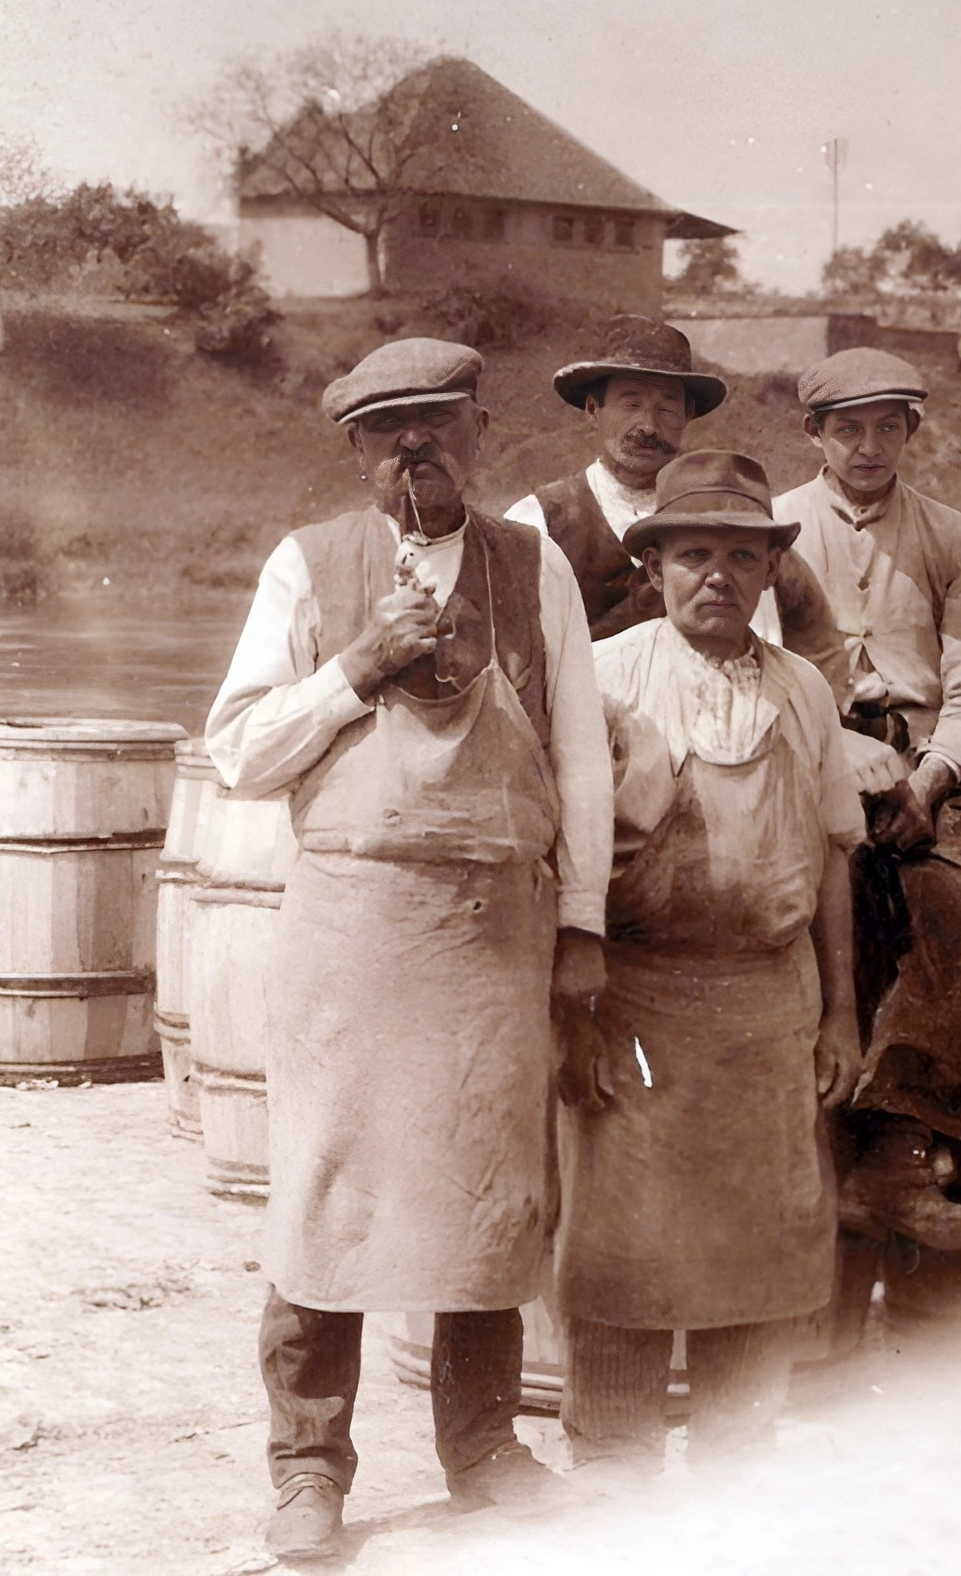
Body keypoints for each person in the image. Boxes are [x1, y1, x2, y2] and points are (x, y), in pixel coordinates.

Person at [206, 339, 611, 1558]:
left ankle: (483, 1445)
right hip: (353, 923)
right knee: (324, 1196)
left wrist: (582, 927)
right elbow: (236, 751)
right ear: (357, 449)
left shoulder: (535, 566)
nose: (414, 448)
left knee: (489, 1196)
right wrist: (355, 669)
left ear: (480, 431)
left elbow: (583, 756)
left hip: (493, 928)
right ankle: (307, 1464)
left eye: (435, 423)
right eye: (388, 431)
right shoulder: (308, 564)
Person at [556, 451, 867, 1473]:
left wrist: (840, 1015)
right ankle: (615, 1464)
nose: (718, 576)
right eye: (694, 553)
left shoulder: (805, 690)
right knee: (624, 1247)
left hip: (767, 1009)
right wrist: (575, 1010)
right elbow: (558, 863)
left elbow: (829, 858)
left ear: (773, 568)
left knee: (761, 1246)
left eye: (743, 554)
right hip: (637, 1007)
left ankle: (738, 1474)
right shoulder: (605, 678)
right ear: (653, 564)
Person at [769, 347, 961, 1253]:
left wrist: (934, 775)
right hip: (810, 747)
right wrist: (843, 750)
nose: (868, 446)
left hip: (925, 765)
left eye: (887, 427)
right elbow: (766, 669)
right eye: (847, 428)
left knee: (947, 895)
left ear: (912, 430)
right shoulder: (774, 528)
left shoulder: (952, 535)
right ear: (815, 435)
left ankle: (900, 1151)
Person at [503, 314, 731, 638]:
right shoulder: (539, 521)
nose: (649, 426)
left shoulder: (719, 512)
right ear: (593, 410)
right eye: (631, 405)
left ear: (687, 415)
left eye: (666, 409)